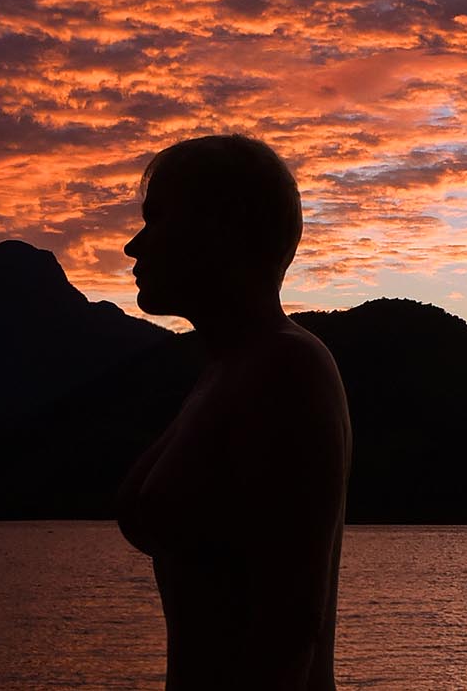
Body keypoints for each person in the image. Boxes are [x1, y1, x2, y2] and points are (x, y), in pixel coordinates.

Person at [116, 134, 352, 691]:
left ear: (221, 226)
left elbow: (290, 627)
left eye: (157, 219)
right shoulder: (228, 368)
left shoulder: (286, 367)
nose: (133, 245)